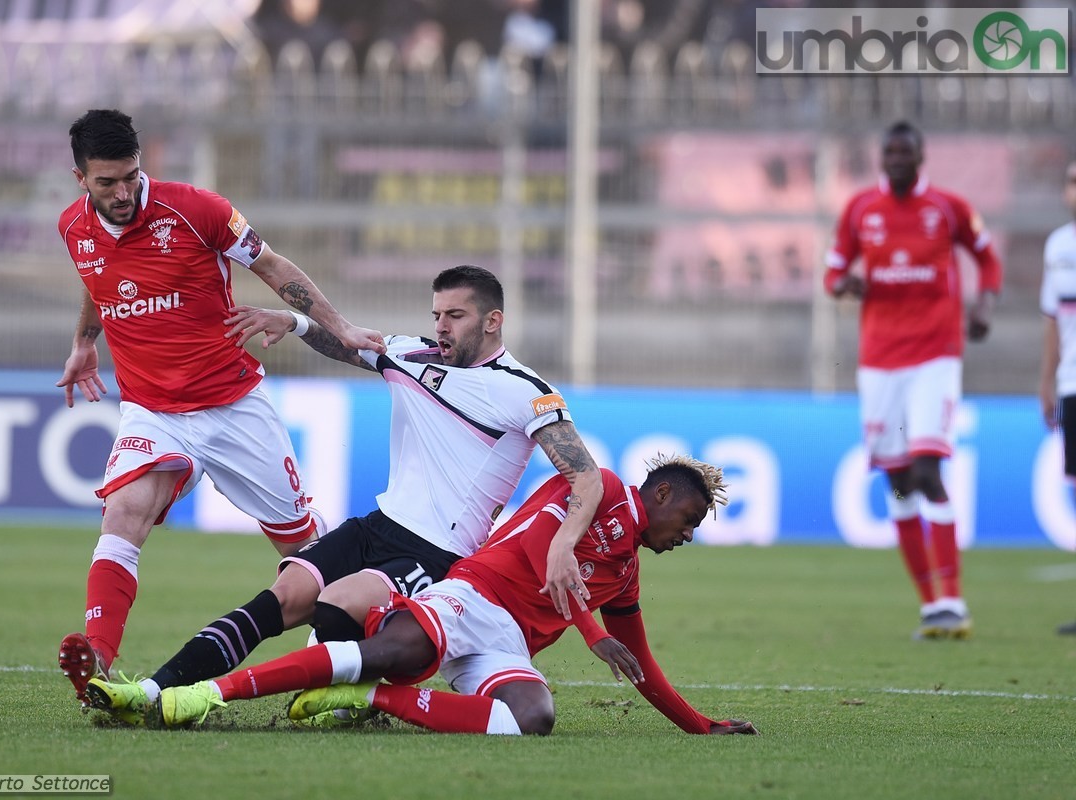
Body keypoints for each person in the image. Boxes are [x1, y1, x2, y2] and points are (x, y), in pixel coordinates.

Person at [83, 265, 604, 724]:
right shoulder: (413, 355)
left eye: (456, 315)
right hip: (376, 525)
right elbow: (349, 344)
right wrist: (295, 322)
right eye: (437, 313)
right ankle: (150, 691)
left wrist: (563, 543)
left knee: (334, 605)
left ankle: (350, 695)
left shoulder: (524, 389)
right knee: (279, 599)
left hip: (439, 554)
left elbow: (586, 477)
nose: (441, 326)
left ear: (493, 321)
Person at [54, 109, 385, 706]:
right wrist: (84, 341)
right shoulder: (72, 227)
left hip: (233, 405)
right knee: (123, 514)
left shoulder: (197, 209)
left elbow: (273, 265)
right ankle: (98, 659)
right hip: (151, 410)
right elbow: (98, 278)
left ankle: (345, 666)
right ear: (81, 179)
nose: (124, 192)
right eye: (107, 183)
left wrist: (340, 325)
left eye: (131, 176)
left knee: (302, 549)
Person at [117, 455, 757, 736]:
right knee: (389, 648)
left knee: (531, 719)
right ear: (664, 495)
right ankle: (202, 694)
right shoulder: (603, 489)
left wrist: (703, 726)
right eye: (691, 520)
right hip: (476, 595)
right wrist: (592, 634)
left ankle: (373, 698)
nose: (688, 536)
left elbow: (641, 667)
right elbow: (540, 547)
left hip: (506, 642)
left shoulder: (624, 578)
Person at [825, 120, 1002, 641]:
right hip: (879, 360)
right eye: (890, 152)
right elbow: (832, 272)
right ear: (882, 158)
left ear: (921, 157)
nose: (897, 159)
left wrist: (984, 303)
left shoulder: (948, 207)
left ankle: (953, 599)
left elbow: (987, 259)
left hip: (935, 354)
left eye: (906, 152)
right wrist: (845, 284)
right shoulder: (860, 210)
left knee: (927, 472)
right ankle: (930, 606)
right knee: (899, 482)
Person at [1039, 158, 1076, 636]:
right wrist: (1045, 380)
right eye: (1071, 180)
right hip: (1071, 382)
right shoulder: (1058, 245)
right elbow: (1053, 318)